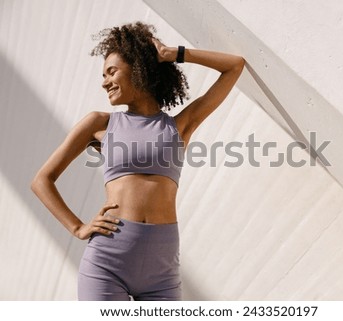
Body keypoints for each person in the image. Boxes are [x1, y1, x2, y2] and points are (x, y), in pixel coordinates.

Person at [31, 21, 244, 301]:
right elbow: (41, 180)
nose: (104, 81)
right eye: (103, 75)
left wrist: (172, 53)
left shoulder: (179, 126)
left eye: (112, 71)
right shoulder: (100, 124)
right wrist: (78, 227)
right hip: (107, 262)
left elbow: (234, 66)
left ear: (138, 68)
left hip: (162, 269)